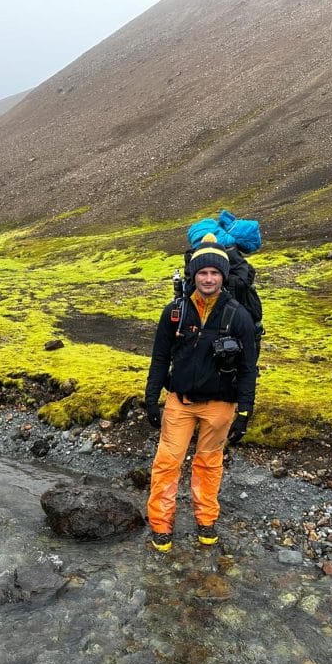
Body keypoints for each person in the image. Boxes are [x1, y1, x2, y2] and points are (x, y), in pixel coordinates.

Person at [143, 233, 259, 552]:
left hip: (220, 407)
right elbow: (159, 358)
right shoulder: (174, 312)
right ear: (193, 275)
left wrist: (245, 412)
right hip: (179, 403)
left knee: (209, 465)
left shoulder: (239, 316)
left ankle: (206, 521)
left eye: (214, 273)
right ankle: (161, 526)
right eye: (202, 273)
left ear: (222, 276)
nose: (208, 279)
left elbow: (249, 367)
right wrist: (151, 398)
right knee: (167, 463)